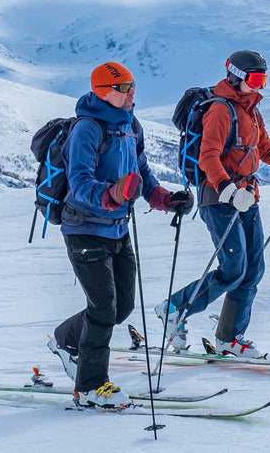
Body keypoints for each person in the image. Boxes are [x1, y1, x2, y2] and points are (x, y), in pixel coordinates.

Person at [46, 61, 193, 409]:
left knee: (121, 307)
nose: (132, 94)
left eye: (132, 86)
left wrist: (166, 200)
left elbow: (141, 173)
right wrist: (111, 194)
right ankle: (91, 387)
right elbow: (80, 182)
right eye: (125, 88)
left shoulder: (130, 125)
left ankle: (65, 339)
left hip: (118, 229)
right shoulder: (87, 129)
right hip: (84, 228)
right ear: (104, 92)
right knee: (102, 307)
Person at [154, 50, 270, 358]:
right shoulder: (220, 110)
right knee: (233, 269)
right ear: (237, 77)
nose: (260, 87)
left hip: (247, 198)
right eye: (256, 80)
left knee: (253, 269)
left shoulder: (252, 111)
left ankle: (230, 338)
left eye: (264, 80)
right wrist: (228, 191)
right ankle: (175, 308)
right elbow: (208, 157)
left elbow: (265, 149)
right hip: (219, 197)